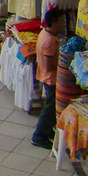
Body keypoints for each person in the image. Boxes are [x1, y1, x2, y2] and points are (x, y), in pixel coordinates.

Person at [31, 8, 66, 149]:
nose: (63, 24)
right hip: (51, 78)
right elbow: (51, 65)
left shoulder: (45, 34)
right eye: (61, 21)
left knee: (51, 107)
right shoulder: (49, 41)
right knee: (50, 109)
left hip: (47, 76)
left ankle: (47, 131)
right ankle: (39, 136)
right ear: (54, 22)